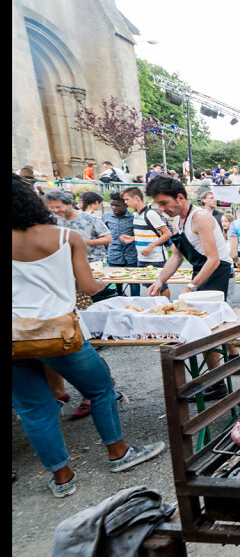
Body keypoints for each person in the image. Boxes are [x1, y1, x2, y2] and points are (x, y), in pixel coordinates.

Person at [12, 176, 165, 497]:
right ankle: (118, 453)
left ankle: (62, 478)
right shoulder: (66, 237)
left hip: (14, 337)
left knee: (34, 411)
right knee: (100, 389)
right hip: (59, 333)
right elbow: (89, 286)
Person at [145, 176, 238, 400]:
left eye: (164, 203)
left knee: (204, 329)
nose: (161, 208)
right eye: (158, 204)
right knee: (208, 328)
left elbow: (214, 259)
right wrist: (160, 280)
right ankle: (233, 359)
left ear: (180, 197)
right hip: (202, 272)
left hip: (219, 274)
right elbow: (176, 257)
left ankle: (218, 383)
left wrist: (191, 285)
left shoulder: (200, 218)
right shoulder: (178, 220)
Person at [119, 185, 172, 299]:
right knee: (149, 286)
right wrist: (133, 238)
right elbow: (147, 234)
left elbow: (167, 233)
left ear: (137, 198)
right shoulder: (136, 215)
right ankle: (156, 309)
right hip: (142, 258)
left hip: (156, 258)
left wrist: (151, 246)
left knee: (161, 286)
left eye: (127, 199)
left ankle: (166, 307)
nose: (125, 202)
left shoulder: (150, 214)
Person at [44, 190, 111, 266]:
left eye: (58, 207)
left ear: (70, 205)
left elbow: (108, 238)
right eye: (51, 208)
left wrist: (88, 242)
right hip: (66, 263)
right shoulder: (51, 220)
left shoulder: (91, 219)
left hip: (94, 263)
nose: (55, 210)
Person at [102, 192, 139, 296]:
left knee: (134, 281)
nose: (114, 207)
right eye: (112, 205)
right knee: (116, 280)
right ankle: (119, 297)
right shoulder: (106, 217)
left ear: (126, 204)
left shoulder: (133, 217)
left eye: (117, 205)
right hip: (114, 254)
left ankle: (135, 301)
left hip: (131, 254)